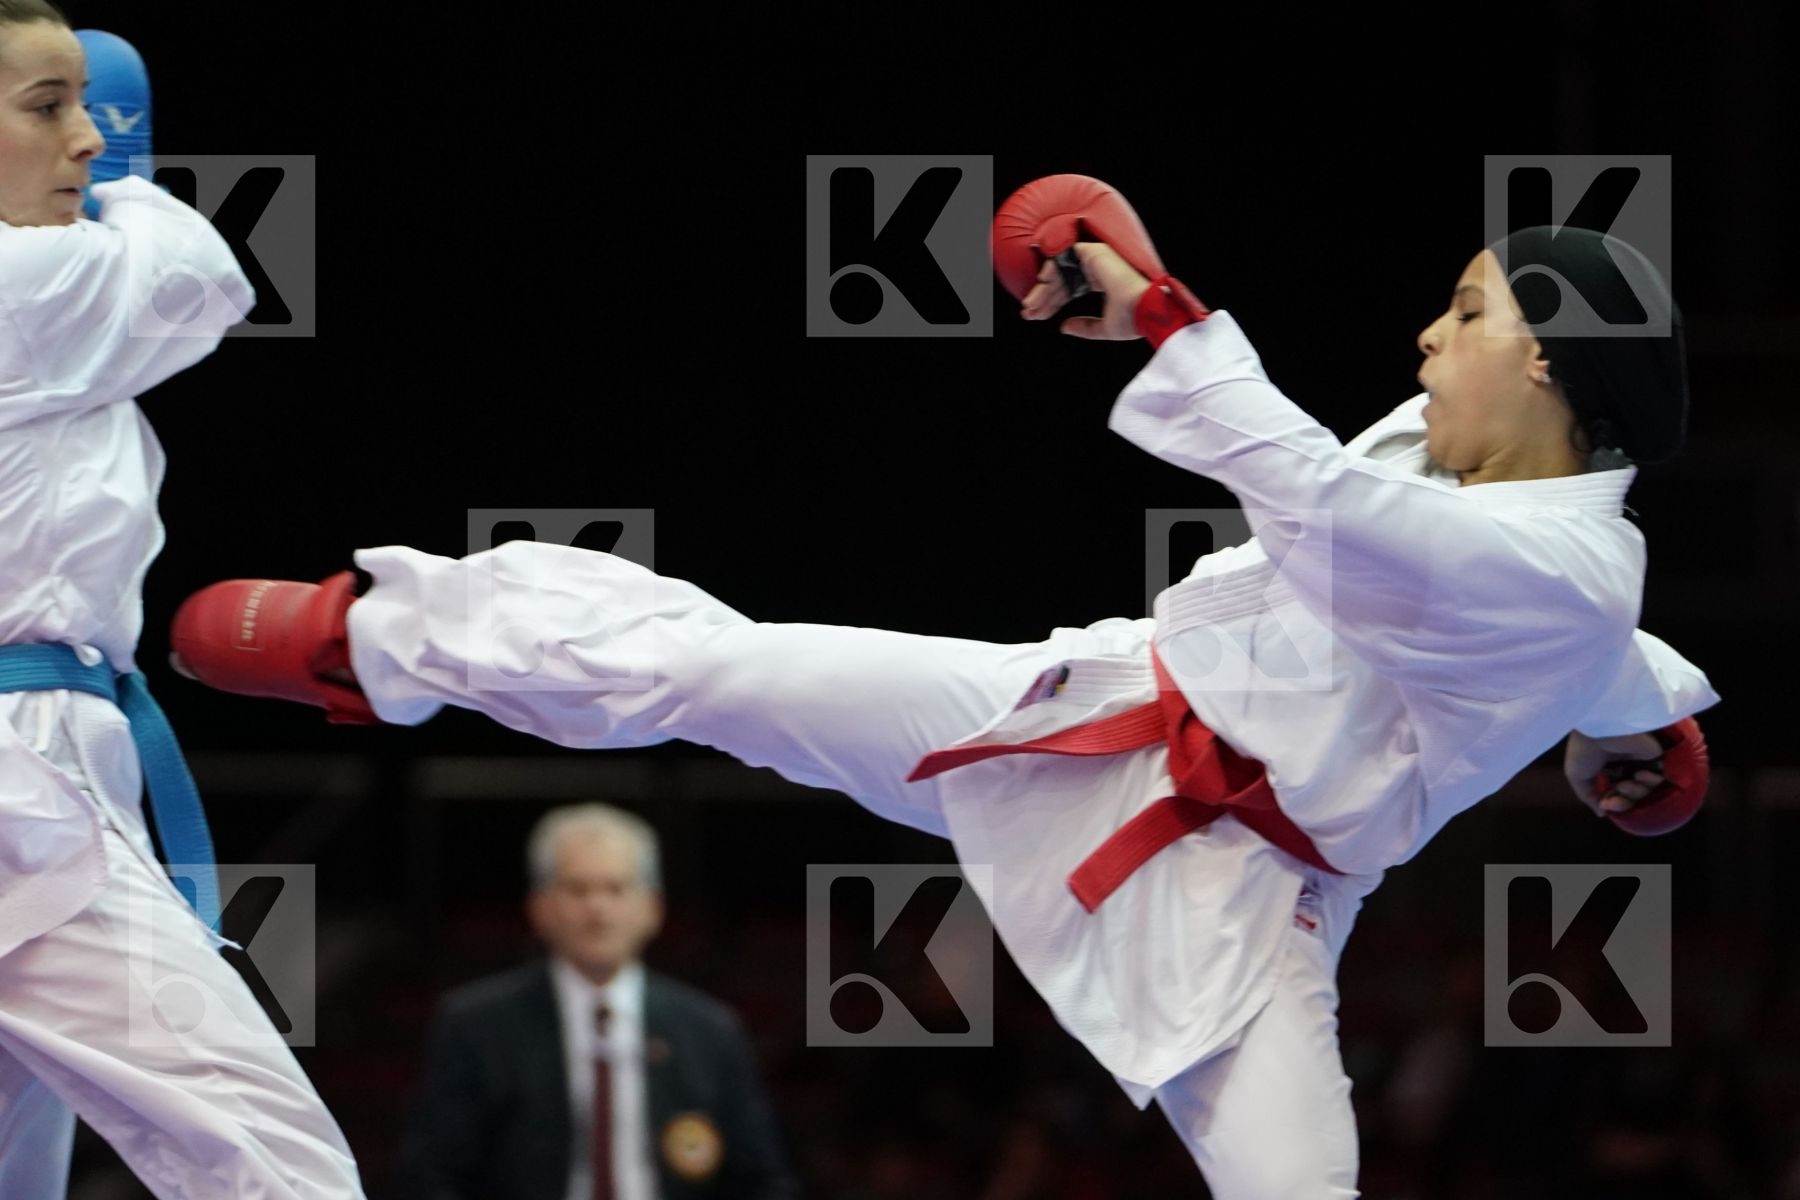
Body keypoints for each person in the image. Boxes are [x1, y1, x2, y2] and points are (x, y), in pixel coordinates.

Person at [169, 177, 1720, 1196]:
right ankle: (374, 640)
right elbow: (1568, 639)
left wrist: (1162, 309)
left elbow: (1346, 526)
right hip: (1087, 717)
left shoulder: (1566, 574)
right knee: (725, 664)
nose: (1430, 333)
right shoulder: (1488, 489)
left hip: (1261, 903)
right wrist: (1644, 729)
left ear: (1551, 363)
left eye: (1470, 310)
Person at [0, 6, 365, 1197]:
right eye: (48, 107)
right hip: (23, 788)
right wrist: (136, 177)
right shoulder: (23, 288)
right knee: (269, 1156)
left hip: (53, 753)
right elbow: (203, 280)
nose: (87, 140)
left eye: (88, 109)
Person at [395, 803, 797, 1199]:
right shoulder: (476, 1027)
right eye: (577, 889)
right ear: (540, 907)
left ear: (652, 908)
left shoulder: (709, 1031)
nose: (597, 908)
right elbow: (430, 1178)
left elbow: (765, 1183)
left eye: (616, 888)